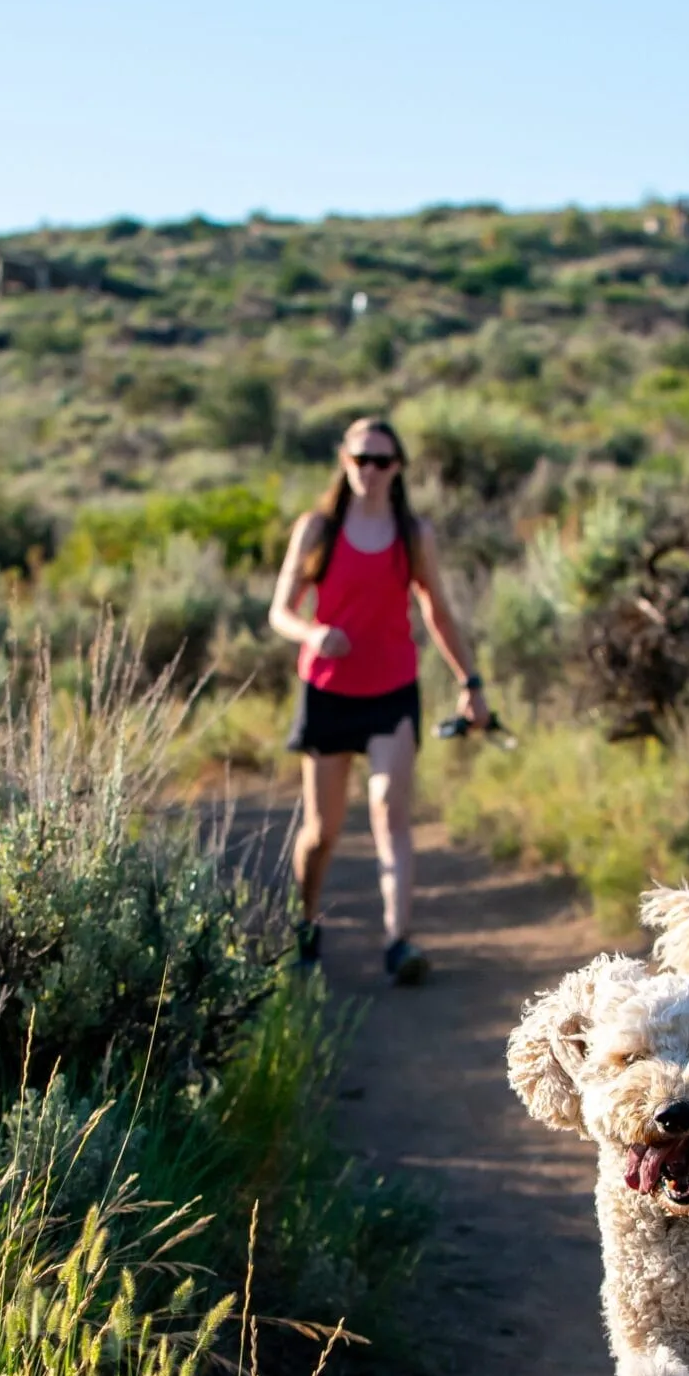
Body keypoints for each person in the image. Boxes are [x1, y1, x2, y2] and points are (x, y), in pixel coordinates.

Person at [268, 416, 490, 983]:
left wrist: (472, 683)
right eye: (361, 459)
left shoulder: (414, 533)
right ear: (344, 462)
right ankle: (307, 928)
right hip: (327, 691)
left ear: (398, 469)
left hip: (392, 688)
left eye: (382, 460)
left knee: (390, 808)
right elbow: (280, 611)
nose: (370, 470)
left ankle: (399, 942)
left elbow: (437, 610)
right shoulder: (317, 529)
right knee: (323, 831)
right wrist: (313, 633)